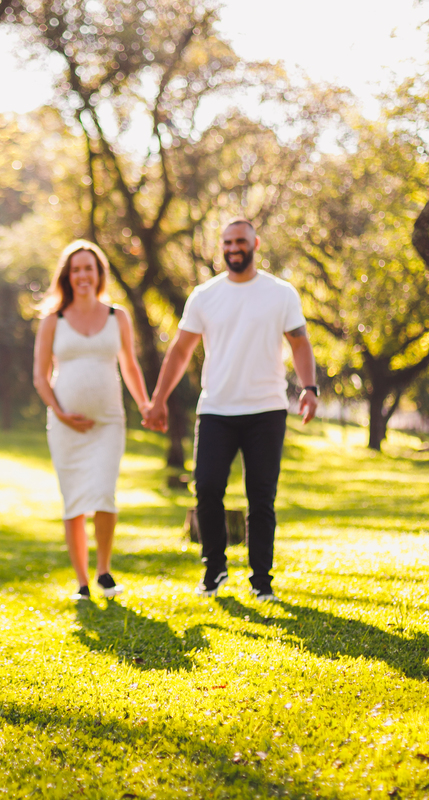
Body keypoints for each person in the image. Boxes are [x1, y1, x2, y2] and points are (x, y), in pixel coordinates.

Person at [143, 219, 318, 601]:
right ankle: (215, 568)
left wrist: (309, 388)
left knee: (261, 497)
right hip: (216, 409)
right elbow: (180, 351)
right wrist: (158, 400)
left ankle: (261, 581)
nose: (233, 247)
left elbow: (300, 344)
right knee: (206, 487)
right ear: (220, 247)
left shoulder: (280, 293)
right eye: (227, 242)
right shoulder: (204, 296)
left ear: (255, 243)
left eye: (240, 241)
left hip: (266, 410)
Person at [34, 240, 150, 600]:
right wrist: (61, 413)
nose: (83, 275)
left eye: (89, 268)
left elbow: (129, 365)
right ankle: (82, 581)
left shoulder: (118, 316)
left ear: (99, 273)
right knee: (73, 500)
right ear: (67, 276)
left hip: (107, 422)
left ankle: (103, 570)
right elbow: (40, 376)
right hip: (65, 426)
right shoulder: (54, 320)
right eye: (76, 269)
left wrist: (145, 405)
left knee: (103, 494)